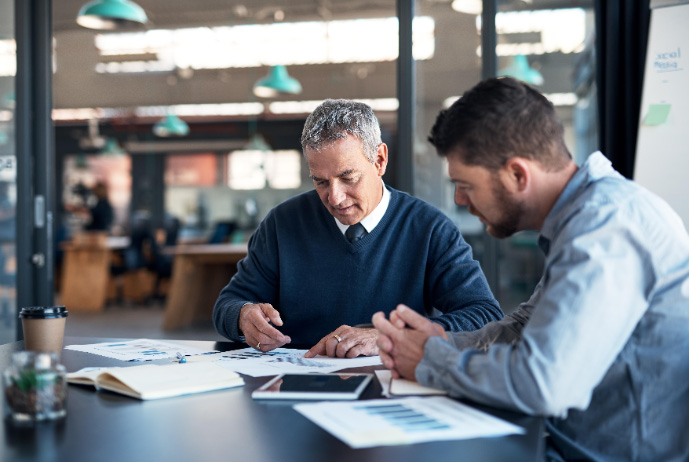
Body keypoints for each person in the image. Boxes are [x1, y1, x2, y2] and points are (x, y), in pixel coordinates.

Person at [372, 77, 689, 462]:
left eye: (464, 184)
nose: (458, 199)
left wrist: (431, 361)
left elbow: (544, 383)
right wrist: (444, 342)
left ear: (518, 175)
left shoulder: (606, 228)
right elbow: (526, 323)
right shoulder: (584, 216)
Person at [213, 99, 503, 358]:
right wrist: (242, 317)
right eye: (320, 181)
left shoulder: (429, 229)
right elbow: (228, 303)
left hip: (390, 388)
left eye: (348, 177)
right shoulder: (282, 223)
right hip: (294, 384)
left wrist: (392, 337)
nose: (335, 198)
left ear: (379, 160)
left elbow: (484, 316)